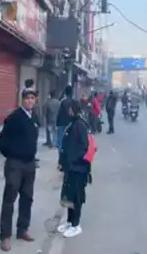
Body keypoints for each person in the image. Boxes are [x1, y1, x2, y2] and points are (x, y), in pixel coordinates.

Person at [0, 89, 40, 251]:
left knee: (27, 198)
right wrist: (12, 154)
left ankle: (22, 230)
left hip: (29, 165)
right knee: (9, 200)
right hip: (15, 164)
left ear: (35, 100)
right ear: (22, 100)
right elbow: (1, 142)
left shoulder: (33, 117)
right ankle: (5, 236)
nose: (30, 101)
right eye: (27, 98)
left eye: (32, 98)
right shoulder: (14, 118)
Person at [56, 100, 92, 238]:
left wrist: (72, 160)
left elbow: (83, 147)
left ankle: (76, 225)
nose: (68, 111)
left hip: (79, 169)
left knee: (77, 197)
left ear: (74, 110)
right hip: (70, 168)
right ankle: (70, 222)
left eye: (69, 109)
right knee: (69, 196)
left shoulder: (80, 125)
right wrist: (62, 162)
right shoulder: (72, 123)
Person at [54, 85, 75, 150]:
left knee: (60, 140)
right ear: (72, 92)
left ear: (65, 92)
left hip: (62, 123)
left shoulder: (62, 101)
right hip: (71, 123)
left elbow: (59, 113)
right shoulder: (74, 101)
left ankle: (60, 156)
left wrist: (57, 123)